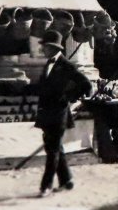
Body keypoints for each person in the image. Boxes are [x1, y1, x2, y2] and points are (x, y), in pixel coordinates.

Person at [34, 30, 93, 198]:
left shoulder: (67, 66)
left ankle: (46, 186)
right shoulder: (48, 64)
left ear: (52, 47)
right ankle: (66, 180)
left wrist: (68, 98)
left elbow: (86, 85)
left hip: (58, 114)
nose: (42, 49)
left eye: (44, 46)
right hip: (46, 113)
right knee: (55, 148)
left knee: (52, 151)